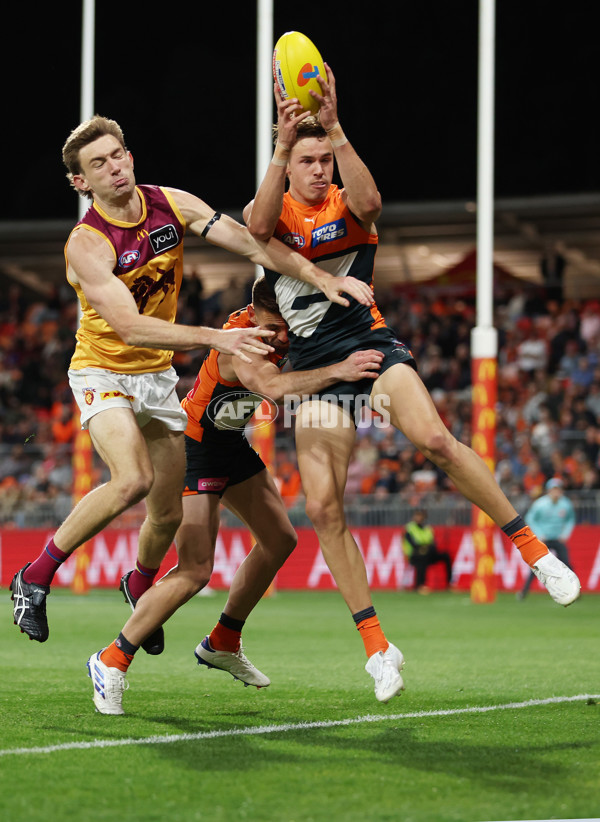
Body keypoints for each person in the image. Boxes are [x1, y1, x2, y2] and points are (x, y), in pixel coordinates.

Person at [239, 65, 581, 701]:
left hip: (368, 347)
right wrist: (282, 145)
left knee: (435, 440)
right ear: (289, 166)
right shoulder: (272, 213)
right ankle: (376, 645)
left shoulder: (349, 202)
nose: (319, 171)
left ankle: (533, 549)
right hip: (316, 372)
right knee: (321, 506)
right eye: (307, 161)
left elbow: (370, 202)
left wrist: (335, 128)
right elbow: (256, 234)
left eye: (324, 161)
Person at [9, 115, 374, 648]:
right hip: (103, 369)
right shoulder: (87, 245)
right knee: (131, 479)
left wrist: (320, 276)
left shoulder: (170, 203)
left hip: (156, 376)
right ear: (80, 182)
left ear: (129, 156)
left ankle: (138, 581)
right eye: (98, 164)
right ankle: (35, 576)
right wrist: (217, 338)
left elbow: (252, 243)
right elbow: (130, 327)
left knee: (166, 512)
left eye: (117, 155)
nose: (113, 167)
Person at [86, 275, 384, 714]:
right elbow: (277, 388)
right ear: (255, 314)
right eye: (270, 327)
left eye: (284, 326)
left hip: (230, 443)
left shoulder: (280, 324)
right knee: (195, 570)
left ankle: (223, 639)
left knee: (281, 539)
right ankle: (110, 660)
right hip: (196, 447)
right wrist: (340, 369)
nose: (278, 337)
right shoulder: (240, 342)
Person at [517, 478, 576, 600]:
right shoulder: (540, 504)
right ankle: (524, 592)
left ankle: (575, 591)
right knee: (537, 566)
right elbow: (530, 518)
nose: (556, 492)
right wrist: (539, 534)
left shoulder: (566, 504)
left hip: (558, 539)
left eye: (558, 489)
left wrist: (565, 534)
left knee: (567, 565)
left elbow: (570, 520)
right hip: (544, 539)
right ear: (549, 491)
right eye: (554, 489)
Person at [402, 509, 452, 593]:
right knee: (422, 559)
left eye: (420, 515)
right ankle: (420, 585)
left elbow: (433, 544)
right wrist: (424, 547)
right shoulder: (409, 528)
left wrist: (426, 548)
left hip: (427, 553)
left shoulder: (428, 528)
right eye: (417, 515)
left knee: (446, 556)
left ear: (424, 517)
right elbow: (413, 544)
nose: (418, 518)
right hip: (414, 554)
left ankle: (449, 583)